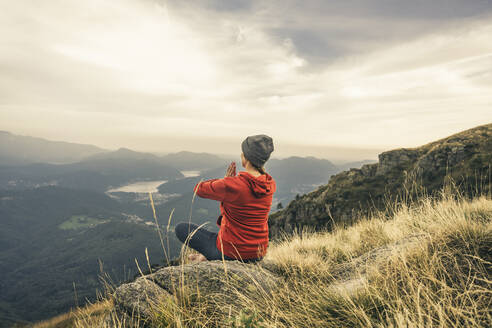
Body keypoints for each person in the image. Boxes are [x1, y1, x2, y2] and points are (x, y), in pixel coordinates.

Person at [175, 134, 276, 263]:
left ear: (247, 157)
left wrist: (226, 181)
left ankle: (209, 257)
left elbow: (199, 189)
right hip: (258, 252)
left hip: (231, 252)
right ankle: (206, 256)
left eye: (243, 152)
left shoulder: (233, 185)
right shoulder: (269, 184)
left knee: (181, 229)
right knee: (220, 235)